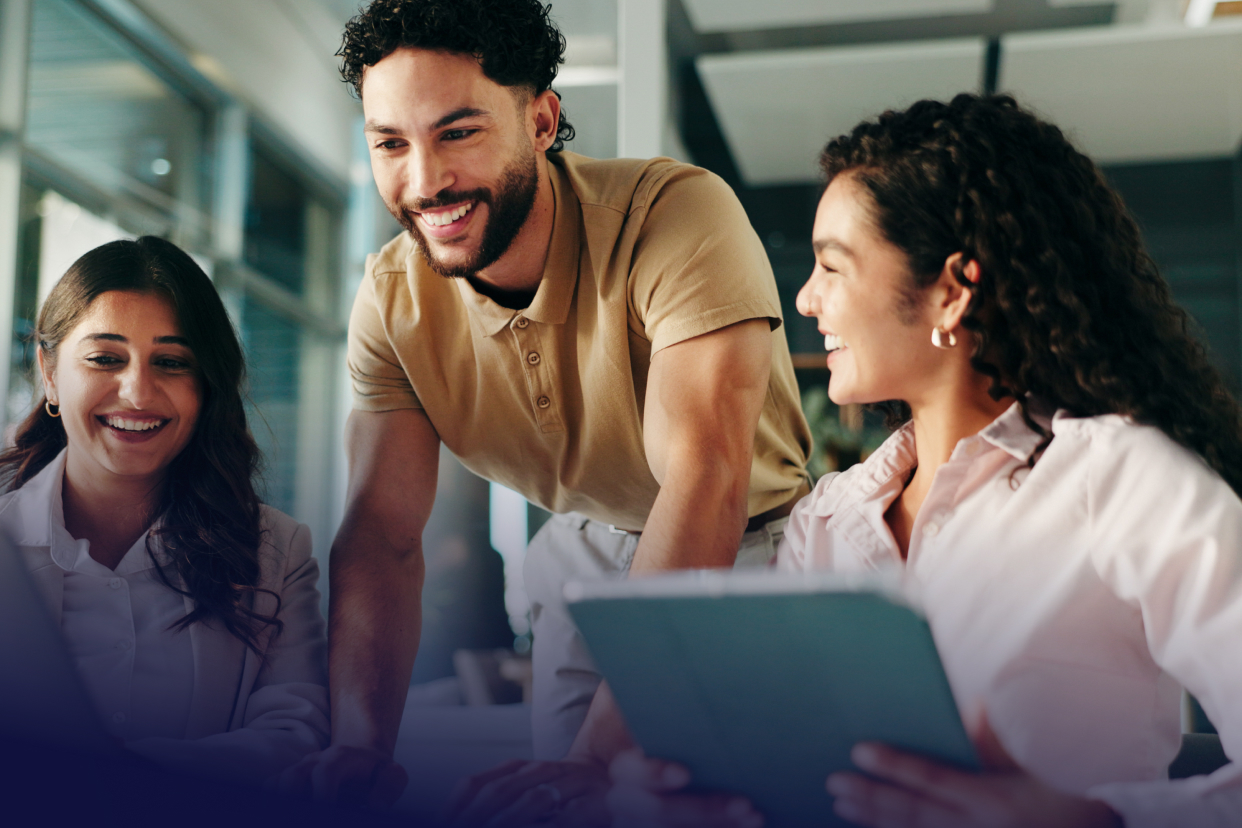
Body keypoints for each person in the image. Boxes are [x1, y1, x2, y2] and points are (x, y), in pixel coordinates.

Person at [608, 93, 1242, 828]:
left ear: (949, 290)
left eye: (833, 267)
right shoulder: (827, 521)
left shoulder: (1120, 479)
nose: (807, 300)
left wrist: (1088, 820)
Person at [294, 0, 812, 809]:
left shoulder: (674, 216)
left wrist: (597, 754)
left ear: (541, 120)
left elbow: (705, 478)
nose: (425, 181)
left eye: (457, 132)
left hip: (748, 548)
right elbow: (382, 535)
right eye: (392, 143)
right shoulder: (392, 299)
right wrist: (358, 745)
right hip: (582, 551)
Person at [2, 236, 330, 785]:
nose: (137, 391)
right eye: (106, 358)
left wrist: (132, 777)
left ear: (206, 388)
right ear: (51, 373)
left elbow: (296, 732)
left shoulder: (276, 550)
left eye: (172, 362)